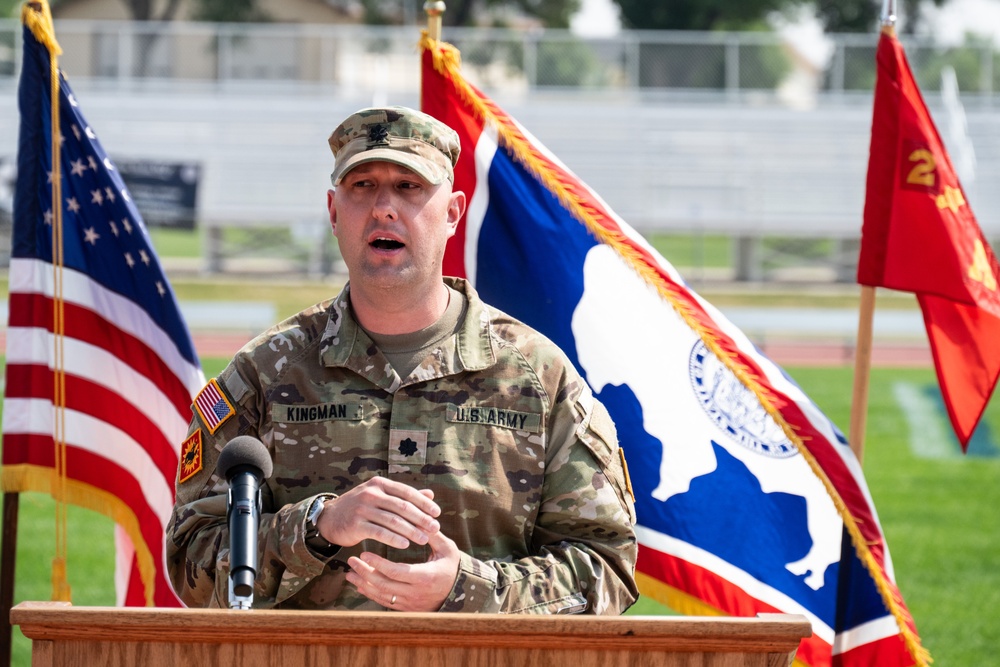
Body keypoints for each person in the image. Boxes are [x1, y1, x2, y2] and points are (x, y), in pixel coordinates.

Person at [166, 106, 638, 614]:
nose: (383, 208)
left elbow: (606, 567)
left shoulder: (539, 378)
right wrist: (316, 527)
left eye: (409, 187)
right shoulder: (265, 374)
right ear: (332, 211)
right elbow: (192, 561)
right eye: (362, 186)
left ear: (453, 213)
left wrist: (468, 588)